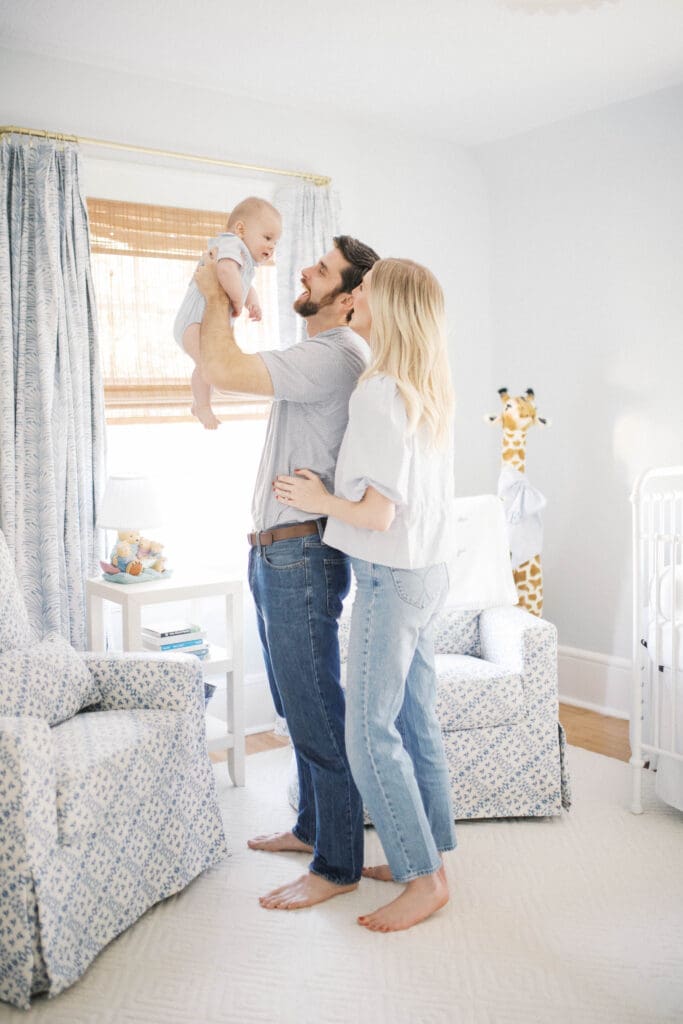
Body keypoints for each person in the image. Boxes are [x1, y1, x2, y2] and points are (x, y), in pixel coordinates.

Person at [194, 234, 380, 910]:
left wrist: (216, 279)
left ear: (351, 296)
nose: (304, 270)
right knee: (294, 706)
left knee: (314, 711)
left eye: (322, 268)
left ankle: (337, 866)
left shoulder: (333, 356)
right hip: (277, 547)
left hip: (300, 552)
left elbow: (221, 365)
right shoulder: (322, 354)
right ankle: (311, 828)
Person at [273, 258, 456, 932]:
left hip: (392, 576)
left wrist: (318, 499)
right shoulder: (424, 387)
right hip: (429, 572)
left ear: (389, 308)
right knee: (415, 724)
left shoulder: (379, 392)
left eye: (366, 290)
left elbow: (377, 513)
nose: (354, 295)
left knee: (368, 734)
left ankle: (423, 879)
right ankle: (430, 857)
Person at [174, 197, 282, 429]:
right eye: (267, 237)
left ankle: (199, 402)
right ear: (241, 229)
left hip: (203, 324)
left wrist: (254, 303)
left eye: (276, 242)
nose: (272, 246)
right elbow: (224, 272)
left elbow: (245, 283)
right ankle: (202, 406)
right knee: (208, 367)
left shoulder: (244, 262)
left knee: (209, 366)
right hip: (194, 321)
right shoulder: (231, 244)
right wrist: (237, 300)